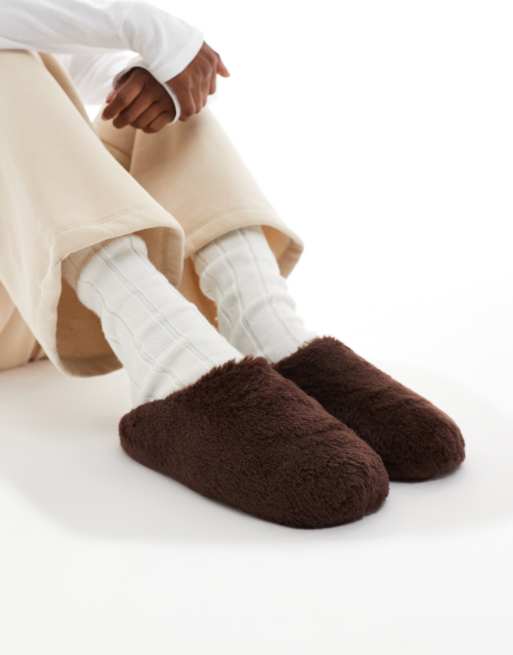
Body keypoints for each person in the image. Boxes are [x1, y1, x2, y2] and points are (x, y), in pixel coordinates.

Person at [0, 0, 465, 529]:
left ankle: (266, 330)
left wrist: (139, 71)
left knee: (152, 93)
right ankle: (168, 364)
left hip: (33, 284)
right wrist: (158, 32)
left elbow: (55, 54)